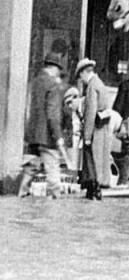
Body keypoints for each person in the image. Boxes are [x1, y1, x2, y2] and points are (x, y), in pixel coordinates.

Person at [17, 54, 66, 199]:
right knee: (52, 169)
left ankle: (21, 194)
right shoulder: (53, 85)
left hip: (33, 134)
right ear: (55, 68)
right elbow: (53, 114)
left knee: (31, 166)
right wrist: (58, 137)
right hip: (46, 136)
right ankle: (55, 202)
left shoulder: (36, 82)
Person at [76, 57, 112, 200]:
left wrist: (87, 136)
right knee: (99, 160)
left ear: (85, 72)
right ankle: (95, 189)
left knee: (91, 161)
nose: (81, 79)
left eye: (81, 76)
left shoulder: (91, 86)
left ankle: (93, 190)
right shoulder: (100, 84)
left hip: (95, 130)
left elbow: (90, 111)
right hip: (102, 129)